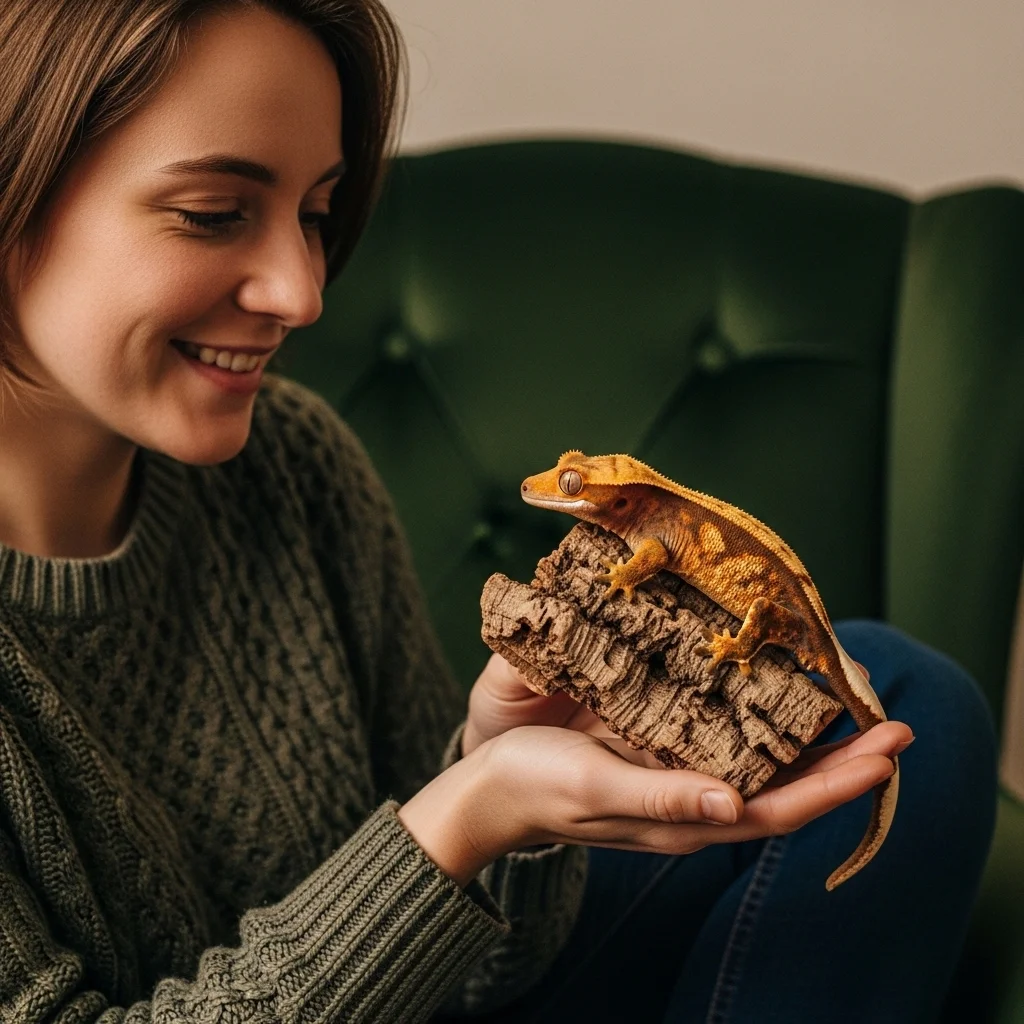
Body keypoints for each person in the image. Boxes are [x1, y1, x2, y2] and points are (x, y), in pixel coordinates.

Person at [0, 1, 998, 1021]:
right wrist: (468, 815)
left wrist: (498, 788)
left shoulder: (292, 463)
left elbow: (478, 975)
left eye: (316, 212)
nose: (302, 292)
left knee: (899, 698)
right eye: (214, 211)